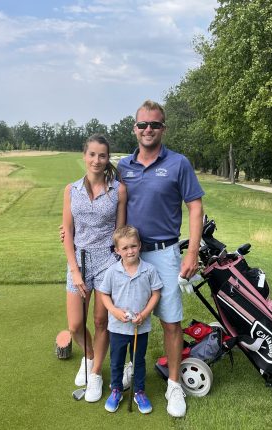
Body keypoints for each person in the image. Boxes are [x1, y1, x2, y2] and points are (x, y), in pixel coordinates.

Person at [116, 100, 204, 418]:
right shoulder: (124, 166)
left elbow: (195, 206)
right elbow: (107, 201)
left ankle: (174, 385)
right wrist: (70, 224)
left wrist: (192, 250)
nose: (148, 130)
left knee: (170, 321)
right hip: (131, 255)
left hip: (166, 252)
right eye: (143, 125)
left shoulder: (179, 163)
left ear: (163, 128)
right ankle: (127, 370)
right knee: (128, 319)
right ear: (135, 128)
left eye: (154, 124)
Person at [62, 134, 127, 403]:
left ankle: (97, 374)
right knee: (76, 324)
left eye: (102, 155)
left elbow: (120, 231)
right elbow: (67, 230)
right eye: (92, 154)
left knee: (101, 321)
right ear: (84, 156)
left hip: (107, 262)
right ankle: (88, 358)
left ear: (107, 158)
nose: (97, 160)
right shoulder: (71, 190)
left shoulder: (118, 190)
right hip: (78, 260)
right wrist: (75, 270)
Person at [97, 225, 162, 414]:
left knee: (138, 361)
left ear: (139, 245)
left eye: (133, 246)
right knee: (116, 361)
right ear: (117, 250)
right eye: (124, 248)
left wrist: (145, 313)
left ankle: (139, 391)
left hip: (139, 328)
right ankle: (116, 389)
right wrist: (114, 311)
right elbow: (104, 294)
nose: (130, 251)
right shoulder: (112, 271)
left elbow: (156, 293)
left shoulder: (149, 270)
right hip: (117, 327)